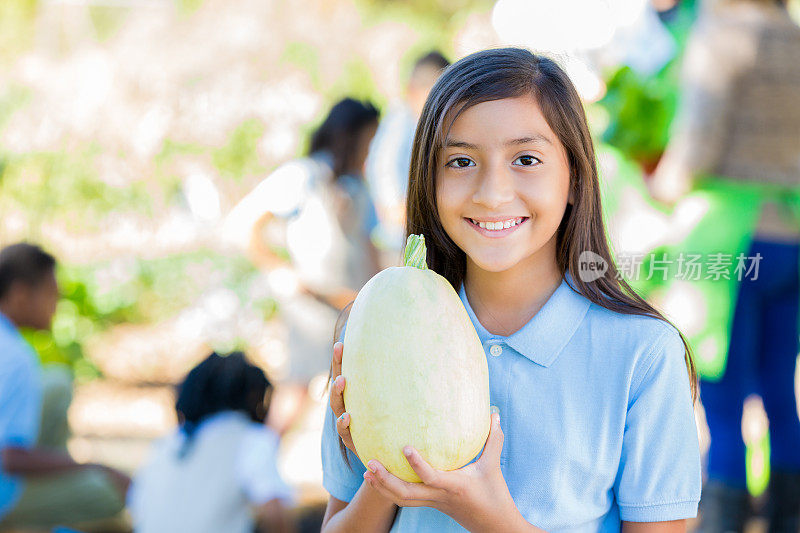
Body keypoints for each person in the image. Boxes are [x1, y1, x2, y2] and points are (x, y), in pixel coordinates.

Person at [320, 48, 702, 532]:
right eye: (460, 161)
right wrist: (382, 473)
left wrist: (485, 516)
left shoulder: (643, 354)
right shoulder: (374, 326)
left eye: (526, 158)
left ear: (574, 176)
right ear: (427, 180)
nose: (492, 192)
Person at [649, 0, 800, 530]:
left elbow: (697, 141)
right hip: (791, 229)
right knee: (781, 389)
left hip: (728, 237)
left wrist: (658, 188)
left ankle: (724, 519)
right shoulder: (794, 34)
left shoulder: (722, 29)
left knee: (722, 390)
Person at [223, 97, 381, 435]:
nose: (371, 149)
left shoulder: (358, 187)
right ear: (350, 135)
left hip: (350, 305)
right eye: (368, 139)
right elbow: (244, 224)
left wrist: (378, 295)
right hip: (311, 303)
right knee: (297, 388)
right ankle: (258, 464)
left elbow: (370, 247)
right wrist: (278, 269)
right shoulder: (304, 176)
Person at [0, 242, 129, 530]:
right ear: (20, 295)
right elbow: (9, 458)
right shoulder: (17, 357)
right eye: (51, 296)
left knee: (57, 383)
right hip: (4, 495)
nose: (55, 307)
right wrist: (93, 467)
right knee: (106, 491)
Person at [128, 351, 295, 533]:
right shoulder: (250, 439)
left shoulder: (167, 443)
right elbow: (274, 511)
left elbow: (138, 504)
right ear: (254, 395)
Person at [364, 51, 450, 262]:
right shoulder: (399, 126)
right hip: (401, 248)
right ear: (413, 90)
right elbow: (391, 206)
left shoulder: (426, 125)